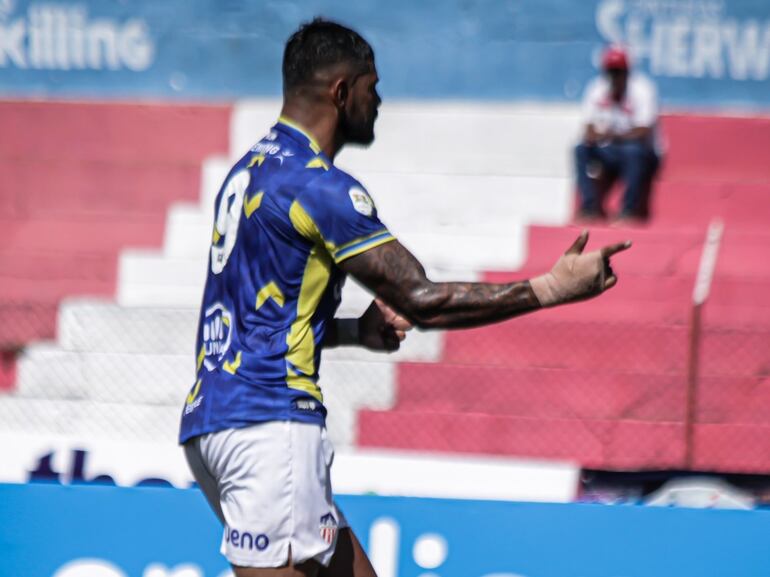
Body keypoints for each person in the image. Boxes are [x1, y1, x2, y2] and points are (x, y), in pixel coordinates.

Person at [179, 18, 631, 577]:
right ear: (342, 92)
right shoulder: (318, 186)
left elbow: (256, 319)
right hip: (268, 427)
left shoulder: (247, 175)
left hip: (212, 421)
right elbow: (421, 298)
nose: (380, 100)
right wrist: (550, 288)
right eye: (373, 86)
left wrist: (352, 332)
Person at [574, 45, 661, 223]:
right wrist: (597, 136)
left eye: (618, 71)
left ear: (627, 72)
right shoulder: (597, 88)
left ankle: (628, 210)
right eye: (611, 71)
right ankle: (589, 207)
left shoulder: (643, 89)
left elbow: (643, 131)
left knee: (633, 151)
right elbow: (588, 128)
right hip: (610, 150)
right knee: (580, 149)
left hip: (643, 153)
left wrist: (611, 136)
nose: (614, 76)